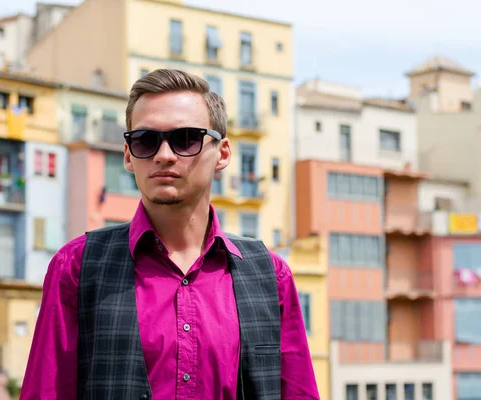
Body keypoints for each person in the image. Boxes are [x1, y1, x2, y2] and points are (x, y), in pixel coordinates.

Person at [20, 69, 319, 399]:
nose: (164, 155)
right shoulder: (76, 269)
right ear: (128, 155)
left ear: (222, 153)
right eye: (145, 141)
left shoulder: (270, 276)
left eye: (186, 139)